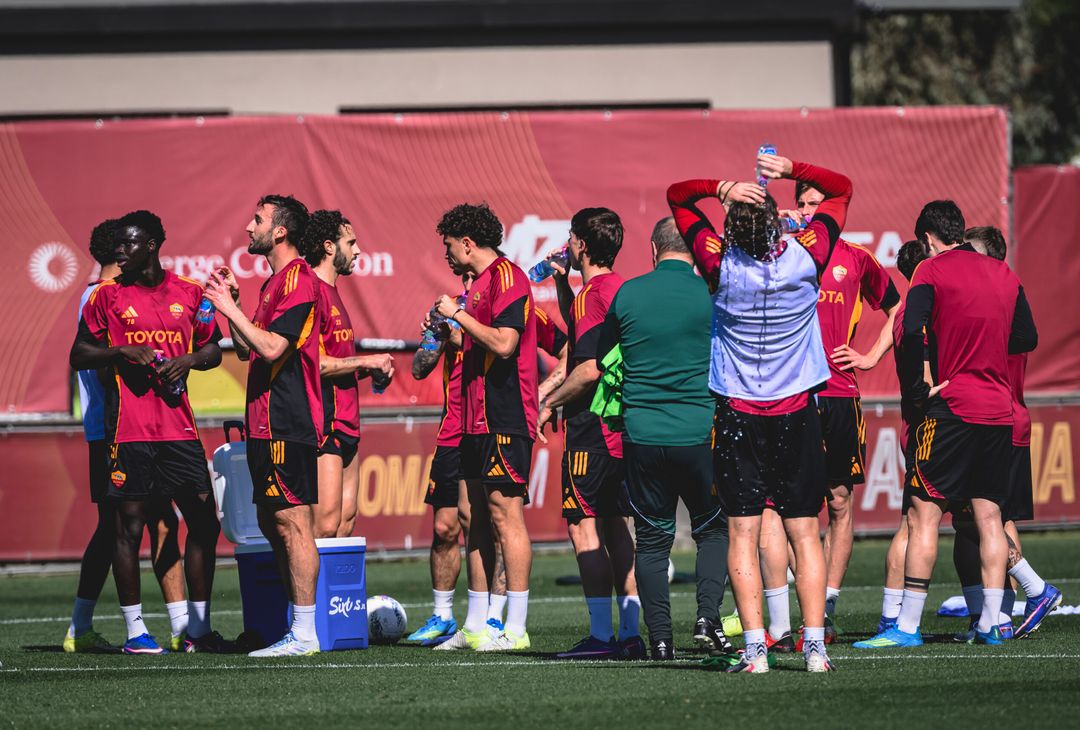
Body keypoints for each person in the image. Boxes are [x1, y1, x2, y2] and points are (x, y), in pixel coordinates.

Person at [667, 153, 852, 673]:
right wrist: (791, 167)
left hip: (740, 417)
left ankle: (755, 653)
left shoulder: (718, 263)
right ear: (778, 224)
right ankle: (814, 649)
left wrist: (721, 185)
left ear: (729, 227)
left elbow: (678, 196)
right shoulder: (807, 255)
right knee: (804, 532)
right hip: (797, 413)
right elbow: (841, 187)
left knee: (744, 534)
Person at [854, 201, 1038, 649]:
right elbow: (1025, 337)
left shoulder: (931, 272)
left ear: (927, 239)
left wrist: (919, 391)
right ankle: (993, 623)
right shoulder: (1004, 274)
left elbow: (911, 328)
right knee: (990, 517)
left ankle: (907, 626)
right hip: (997, 410)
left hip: (951, 408)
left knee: (922, 515)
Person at [69, 210, 225, 655]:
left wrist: (190, 360)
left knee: (203, 523)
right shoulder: (105, 297)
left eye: (128, 245)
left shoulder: (190, 293)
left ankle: (198, 627)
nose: (121, 252)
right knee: (128, 530)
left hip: (179, 430)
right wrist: (120, 351)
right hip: (129, 431)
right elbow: (79, 354)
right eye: (117, 246)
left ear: (153, 244)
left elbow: (213, 347)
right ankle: (136, 631)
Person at [595, 217, 728, 661]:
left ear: (653, 249)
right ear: (693, 247)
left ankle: (662, 641)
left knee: (652, 542)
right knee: (713, 529)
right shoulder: (712, 292)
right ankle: (708, 617)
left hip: (642, 435)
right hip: (698, 433)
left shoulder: (628, 292)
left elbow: (602, 356)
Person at [408, 271, 566, 645]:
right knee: (453, 523)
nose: (466, 277)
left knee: (500, 518)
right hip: (456, 428)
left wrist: (542, 393)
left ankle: (498, 617)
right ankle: (453, 617)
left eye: (469, 271)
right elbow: (418, 368)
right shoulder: (450, 311)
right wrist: (437, 336)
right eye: (461, 274)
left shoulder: (511, 300)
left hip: (495, 422)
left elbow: (564, 347)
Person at [775, 182, 901, 640]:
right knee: (790, 505)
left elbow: (897, 307)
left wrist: (869, 357)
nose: (810, 212)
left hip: (840, 395)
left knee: (839, 501)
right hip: (790, 395)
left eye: (818, 205)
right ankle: (797, 600)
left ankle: (825, 605)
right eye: (803, 204)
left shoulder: (855, 257)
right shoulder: (779, 254)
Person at [205, 194, 325, 657]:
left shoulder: (298, 280)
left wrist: (229, 309)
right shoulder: (273, 282)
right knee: (271, 522)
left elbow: (275, 348)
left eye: (258, 219)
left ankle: (306, 634)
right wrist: (232, 304)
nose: (249, 225)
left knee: (292, 522)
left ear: (280, 231)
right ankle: (295, 627)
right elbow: (246, 349)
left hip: (286, 419)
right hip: (263, 423)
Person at [536, 208, 643, 660]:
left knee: (583, 527)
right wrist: (562, 285)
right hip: (620, 425)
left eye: (570, 238)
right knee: (619, 526)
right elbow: (585, 334)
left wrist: (545, 405)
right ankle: (633, 634)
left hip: (592, 427)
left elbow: (588, 369)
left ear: (580, 243)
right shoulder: (608, 288)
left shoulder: (597, 294)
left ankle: (602, 637)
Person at [430, 203, 538, 652]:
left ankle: (515, 627)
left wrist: (457, 315)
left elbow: (507, 344)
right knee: (474, 519)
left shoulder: (508, 276)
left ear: (469, 243)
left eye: (450, 246)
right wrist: (451, 331)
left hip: (505, 417)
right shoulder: (478, 287)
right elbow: (479, 343)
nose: (448, 255)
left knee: (505, 517)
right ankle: (475, 625)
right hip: (475, 419)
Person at [947, 226, 1061, 640]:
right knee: (975, 519)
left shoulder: (1001, 301)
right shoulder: (997, 300)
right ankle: (999, 614)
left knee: (990, 517)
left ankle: (1032, 590)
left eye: (971, 256)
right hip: (997, 419)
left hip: (998, 421)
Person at [300, 210, 394, 539]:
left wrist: (372, 372)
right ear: (329, 246)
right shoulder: (310, 289)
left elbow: (338, 363)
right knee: (324, 526)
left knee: (346, 522)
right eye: (350, 243)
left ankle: (337, 594)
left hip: (348, 420)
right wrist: (365, 363)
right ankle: (309, 594)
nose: (357, 250)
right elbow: (315, 363)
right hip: (323, 422)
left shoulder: (334, 292)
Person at [874, 239, 930, 633]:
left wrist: (869, 357)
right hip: (934, 422)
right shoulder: (921, 314)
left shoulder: (903, 313)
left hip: (915, 424)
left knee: (910, 521)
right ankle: (999, 611)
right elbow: (925, 373)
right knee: (986, 515)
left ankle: (890, 616)